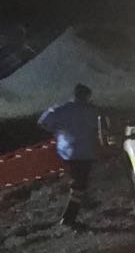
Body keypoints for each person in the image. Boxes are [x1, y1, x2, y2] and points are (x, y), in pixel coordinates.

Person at [38, 83, 99, 229]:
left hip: (68, 153)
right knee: (78, 186)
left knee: (79, 184)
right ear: (87, 96)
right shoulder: (91, 110)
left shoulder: (62, 109)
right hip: (85, 153)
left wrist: (56, 131)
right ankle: (68, 219)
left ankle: (81, 205)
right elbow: (98, 127)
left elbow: (43, 121)